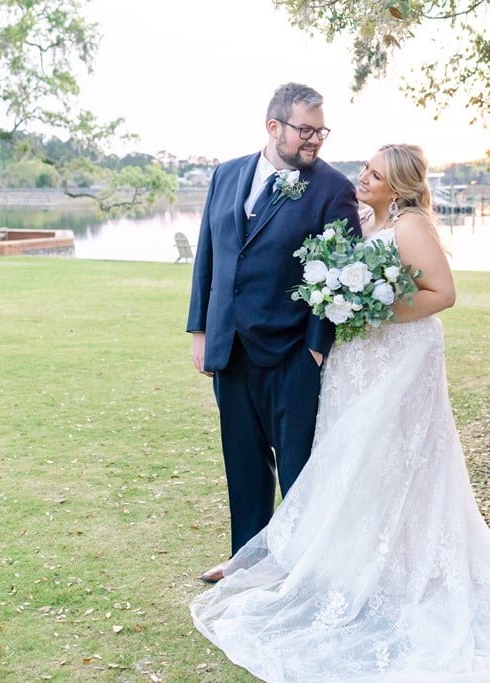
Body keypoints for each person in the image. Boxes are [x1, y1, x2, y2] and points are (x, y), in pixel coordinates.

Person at [190, 144, 490, 681]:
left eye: (375, 174)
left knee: (394, 458)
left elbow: (443, 293)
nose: (361, 177)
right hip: (356, 358)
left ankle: (398, 573)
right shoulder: (364, 219)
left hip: (399, 357)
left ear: (400, 186)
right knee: (352, 461)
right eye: (365, 168)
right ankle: (346, 563)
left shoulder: (410, 226)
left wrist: (373, 310)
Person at [186, 83, 361, 584]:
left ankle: (303, 568)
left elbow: (338, 275)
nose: (315, 140)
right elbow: (209, 258)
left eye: (320, 131)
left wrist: (315, 349)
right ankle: (246, 560)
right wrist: (200, 329)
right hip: (229, 346)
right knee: (241, 459)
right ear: (274, 127)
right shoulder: (226, 174)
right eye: (305, 130)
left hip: (291, 352)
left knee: (298, 469)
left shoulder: (331, 188)